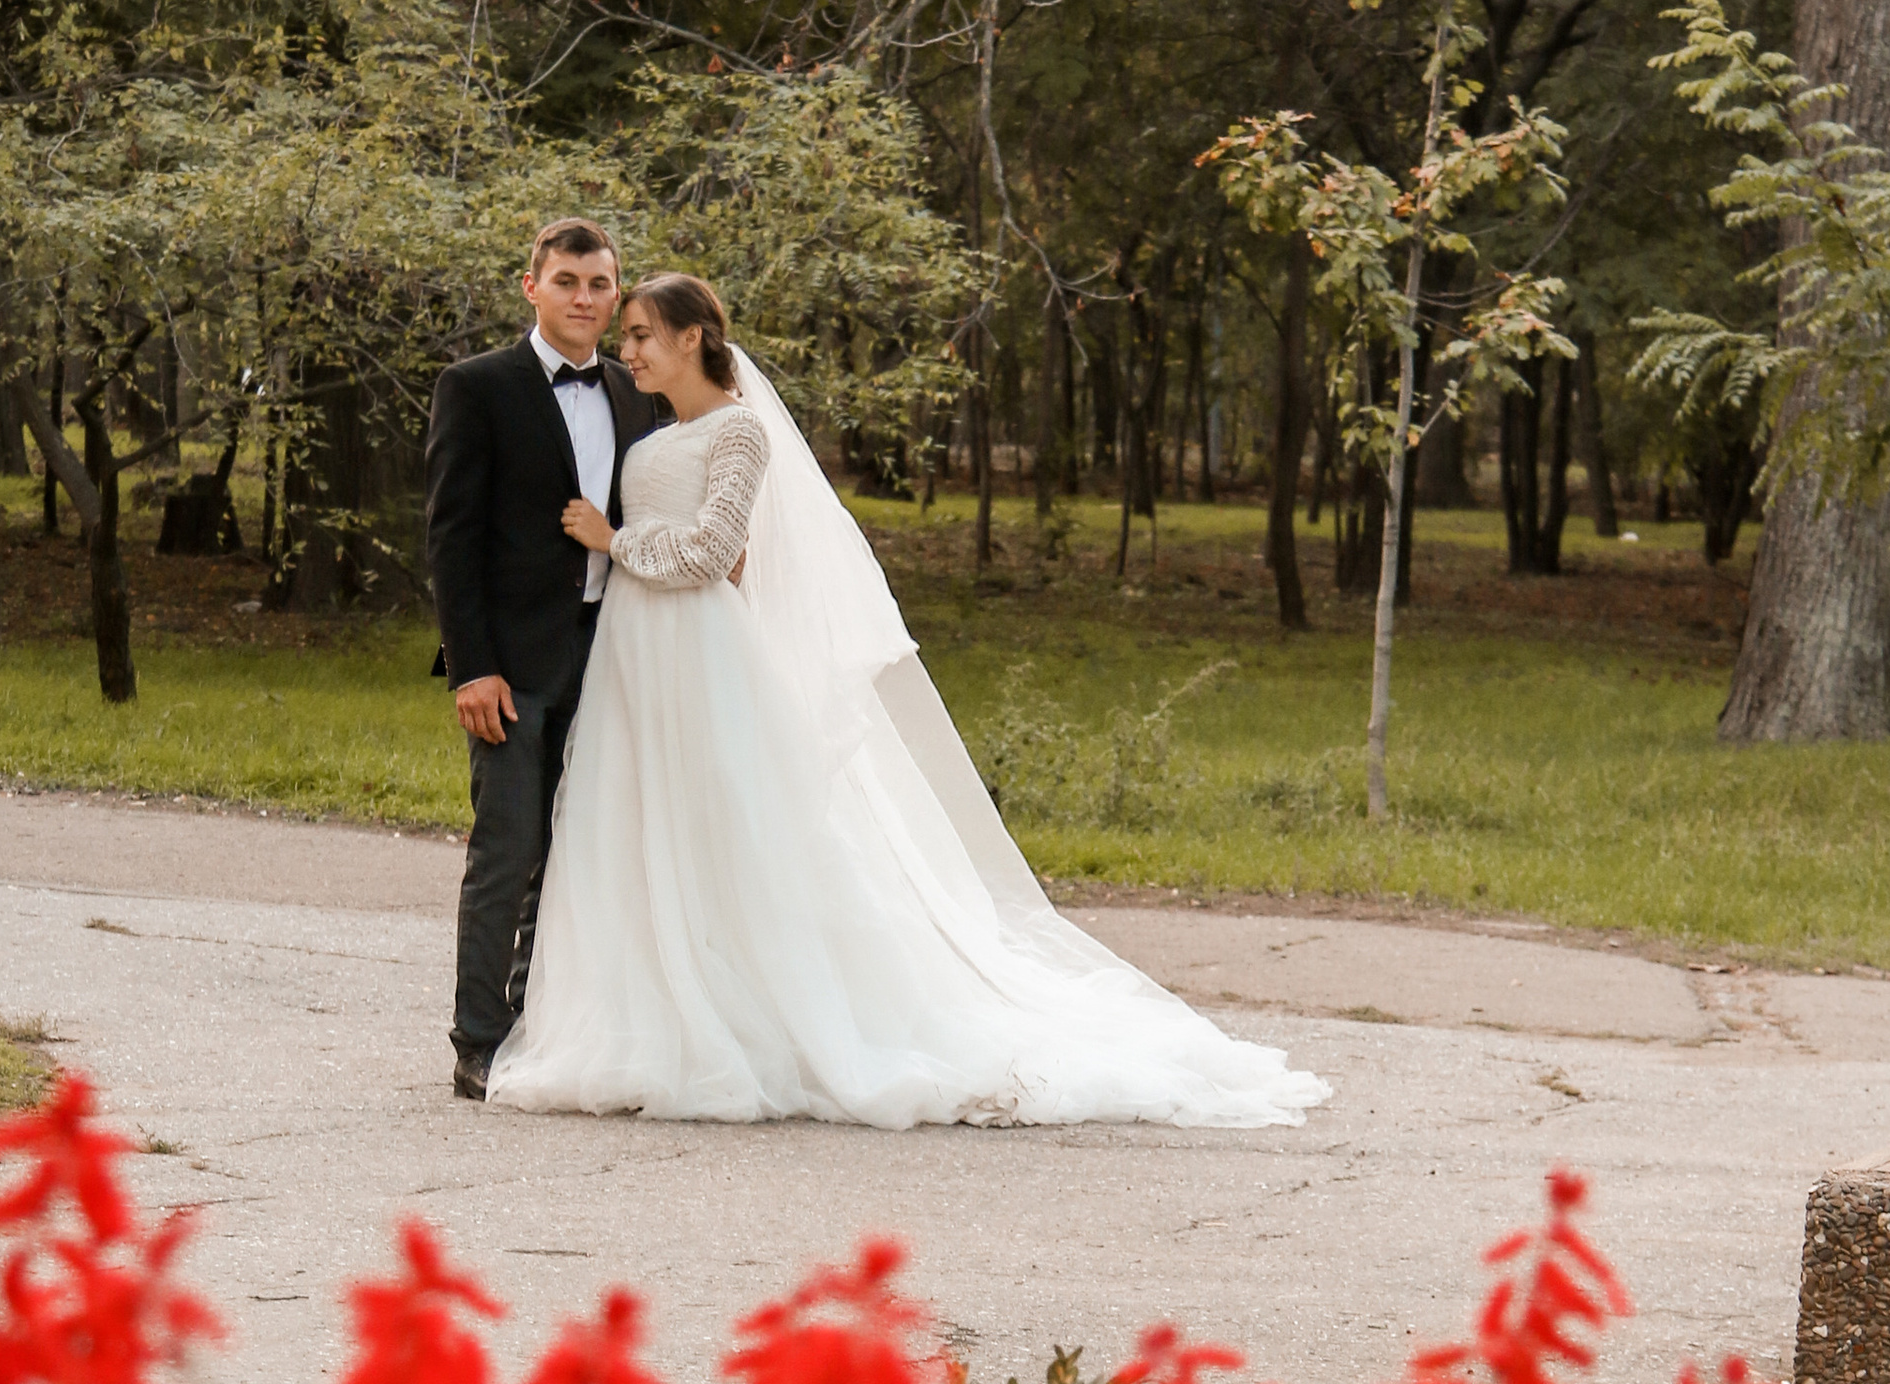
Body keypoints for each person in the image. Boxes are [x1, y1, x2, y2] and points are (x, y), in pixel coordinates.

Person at [482, 271, 1327, 1132]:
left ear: (691, 337)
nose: (626, 351)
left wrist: (615, 539)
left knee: (724, 830)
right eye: (626, 336)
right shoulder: (661, 430)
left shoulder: (739, 430)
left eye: (640, 335)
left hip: (697, 653)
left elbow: (711, 553)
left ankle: (747, 1022)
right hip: (636, 655)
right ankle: (649, 1017)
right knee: (639, 828)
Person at [424, 218, 669, 1099]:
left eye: (600, 284)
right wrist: (471, 666)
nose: (584, 299)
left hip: (613, 654)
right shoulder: (477, 386)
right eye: (567, 281)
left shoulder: (635, 390)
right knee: (509, 846)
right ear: (532, 287)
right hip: (512, 663)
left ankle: (537, 1026)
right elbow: (451, 539)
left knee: (577, 851)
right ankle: (478, 1041)